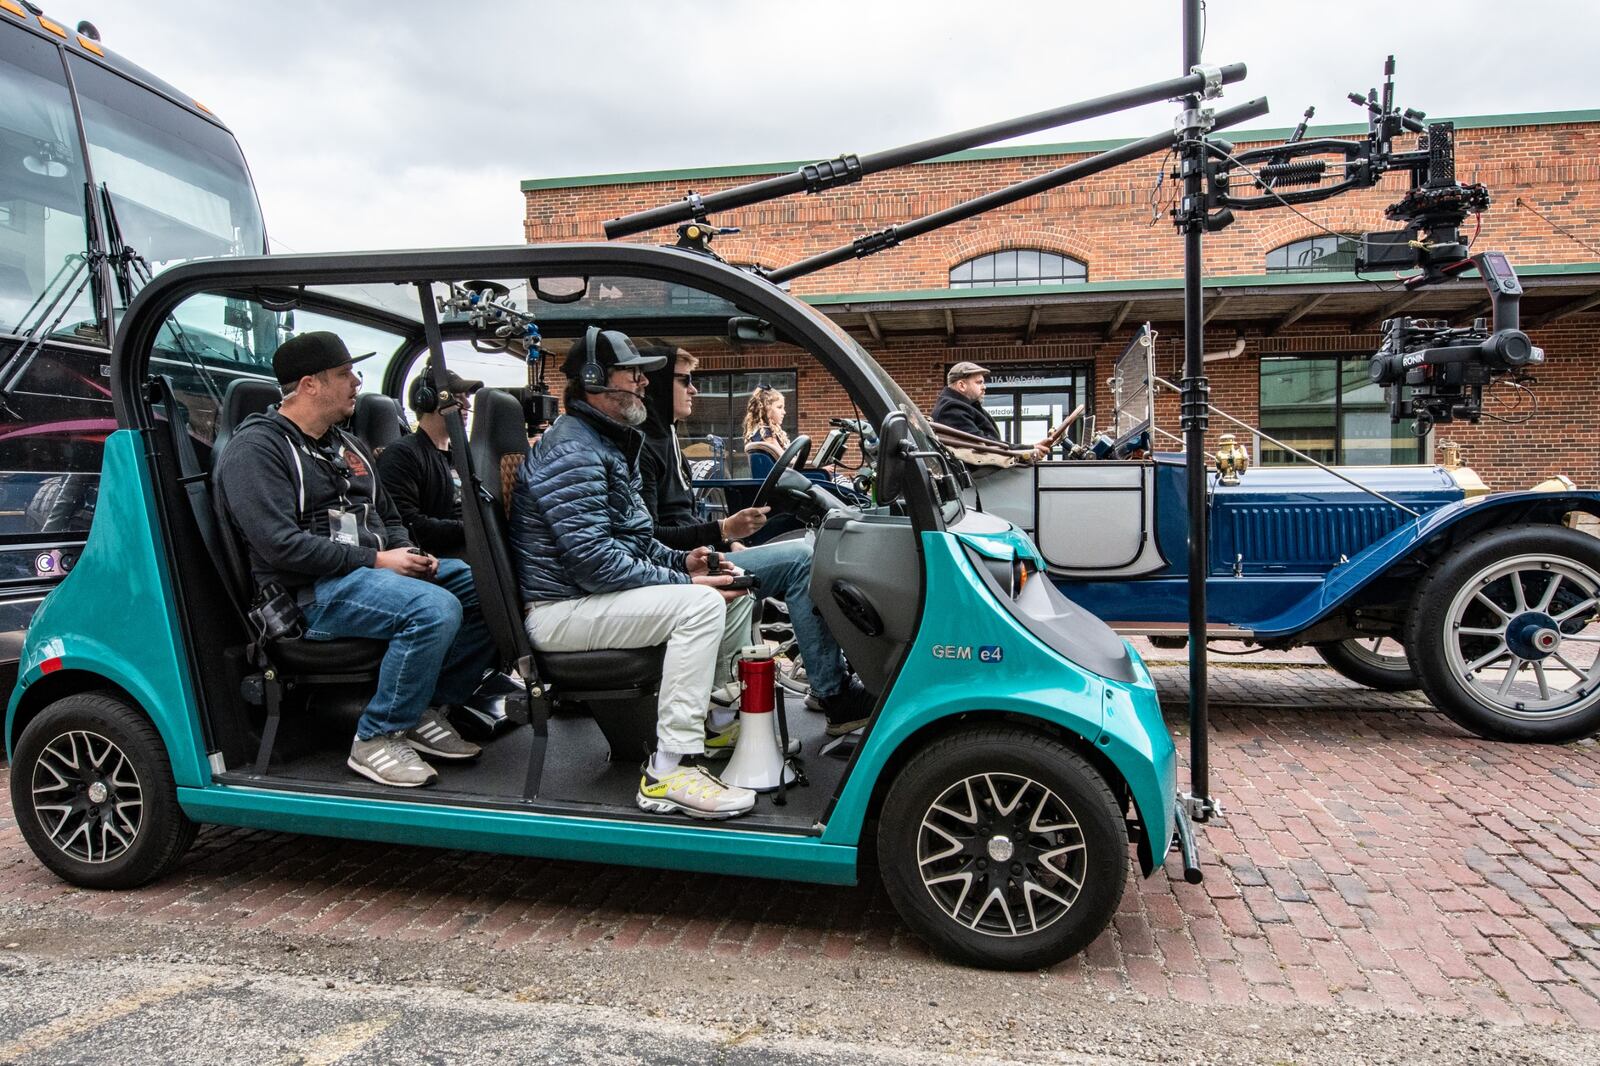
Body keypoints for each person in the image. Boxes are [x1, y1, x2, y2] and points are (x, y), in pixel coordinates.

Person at [213, 331, 496, 788]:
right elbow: (279, 545)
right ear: (309, 385)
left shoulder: (346, 445)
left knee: (484, 585)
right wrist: (377, 561)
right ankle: (377, 736)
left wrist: (410, 552)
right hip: (309, 594)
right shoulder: (257, 450)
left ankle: (424, 706)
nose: (356, 383)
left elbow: (388, 514)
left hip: (365, 575)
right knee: (433, 608)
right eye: (344, 374)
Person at [509, 329, 757, 820]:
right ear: (595, 381)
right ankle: (671, 767)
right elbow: (596, 562)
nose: (645, 381)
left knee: (720, 589)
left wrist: (683, 562)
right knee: (700, 606)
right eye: (633, 372)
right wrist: (687, 586)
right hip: (560, 610)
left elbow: (633, 540)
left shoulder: (603, 443)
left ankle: (702, 726)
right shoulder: (573, 452)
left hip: (584, 599)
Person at [639, 346, 875, 737]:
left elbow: (683, 516)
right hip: (678, 568)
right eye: (686, 381)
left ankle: (827, 680)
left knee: (810, 553)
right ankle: (834, 694)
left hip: (704, 553)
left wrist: (727, 542)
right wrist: (722, 532)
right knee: (802, 559)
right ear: (661, 387)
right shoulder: (647, 447)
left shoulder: (668, 437)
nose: (695, 390)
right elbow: (648, 534)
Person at [375, 367, 483, 557]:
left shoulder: (461, 457)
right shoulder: (402, 455)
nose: (467, 404)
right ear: (428, 400)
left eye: (466, 396)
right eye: (457, 397)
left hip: (472, 549)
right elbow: (406, 522)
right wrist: (473, 530)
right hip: (439, 557)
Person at [932, 361, 1052, 458]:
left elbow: (986, 443)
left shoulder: (962, 406)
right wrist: (1028, 450)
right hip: (979, 480)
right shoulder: (952, 409)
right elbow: (983, 444)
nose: (984, 387)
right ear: (962, 385)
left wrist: (1030, 448)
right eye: (979, 383)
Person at [743, 385, 790, 469]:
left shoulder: (761, 432)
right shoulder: (765, 434)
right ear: (766, 409)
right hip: (779, 480)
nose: (784, 412)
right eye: (779, 407)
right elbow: (787, 461)